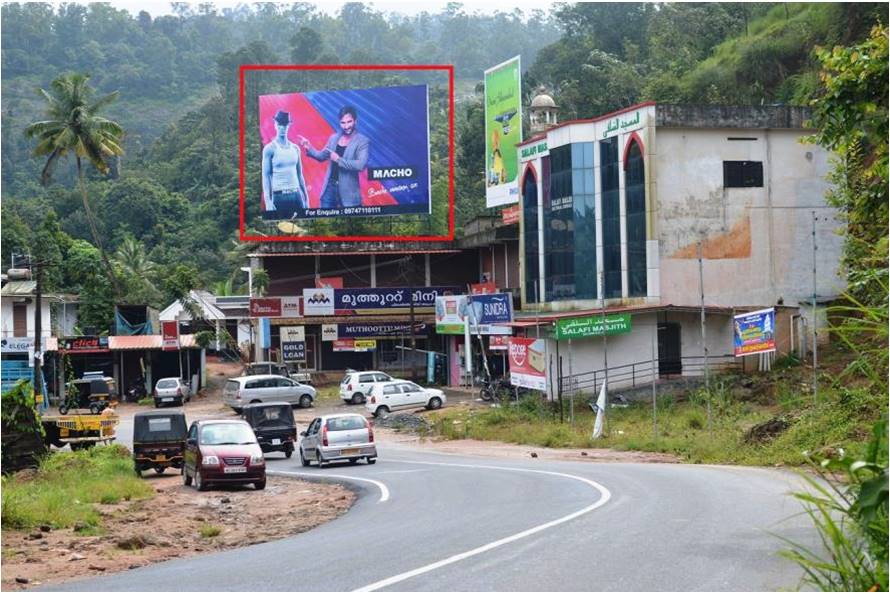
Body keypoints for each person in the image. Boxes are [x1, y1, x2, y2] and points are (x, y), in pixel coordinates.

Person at [298, 105, 370, 210]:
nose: (346, 126)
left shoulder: (363, 141)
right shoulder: (334, 138)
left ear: (355, 121)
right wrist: (309, 147)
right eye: (343, 123)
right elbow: (321, 156)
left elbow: (360, 165)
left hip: (349, 192)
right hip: (330, 188)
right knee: (324, 221)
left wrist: (338, 160)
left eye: (349, 122)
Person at [262, 110, 309, 218]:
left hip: (296, 195)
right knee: (282, 228)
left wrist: (306, 198)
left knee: (301, 227)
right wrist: (268, 201)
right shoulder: (269, 149)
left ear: (289, 125)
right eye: (279, 125)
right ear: (275, 125)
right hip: (279, 195)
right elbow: (265, 176)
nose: (282, 128)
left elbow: (299, 174)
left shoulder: (295, 149)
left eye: (285, 125)